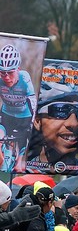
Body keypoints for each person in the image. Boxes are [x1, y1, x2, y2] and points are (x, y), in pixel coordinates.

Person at [0, 44, 36, 172]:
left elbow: (32, 100)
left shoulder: (24, 77)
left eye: (10, 72)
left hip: (24, 117)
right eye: (2, 73)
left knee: (24, 138)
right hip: (6, 114)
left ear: (18, 69)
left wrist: (32, 121)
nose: (6, 77)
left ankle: (18, 163)